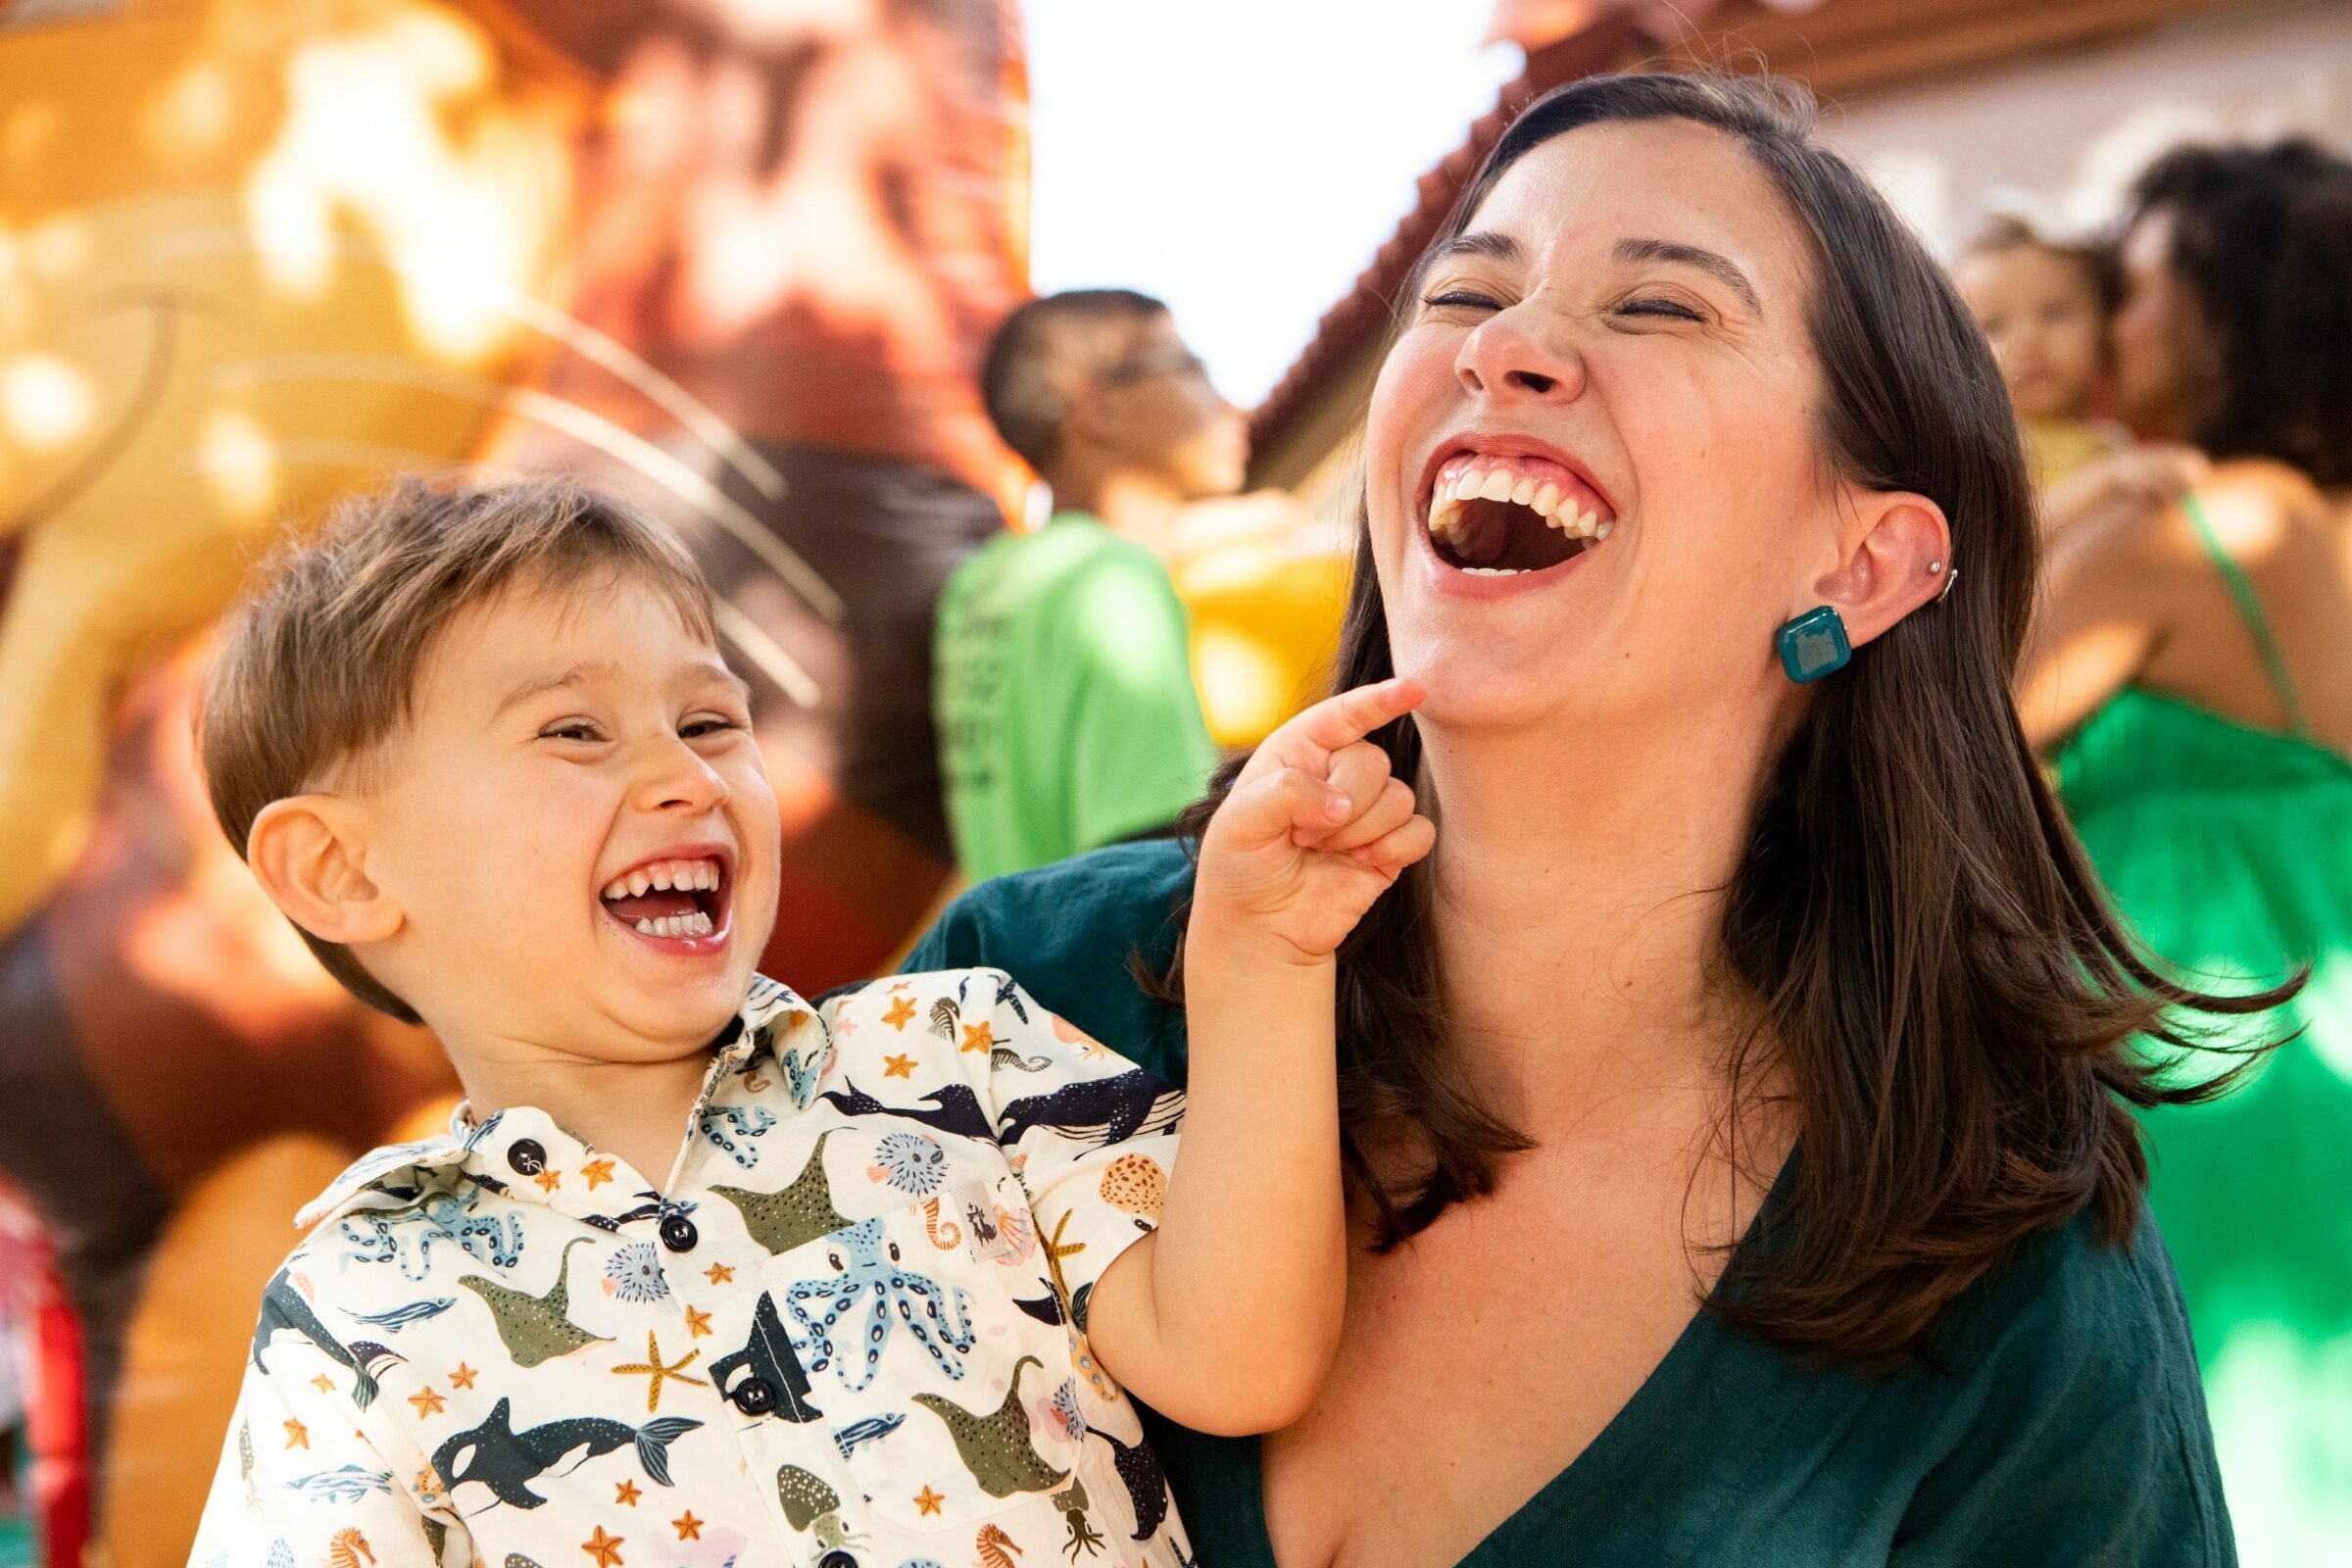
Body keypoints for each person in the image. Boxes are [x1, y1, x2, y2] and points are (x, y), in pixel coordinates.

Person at [907, 72, 2248, 1566]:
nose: (1508, 343)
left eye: (1663, 308)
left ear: (1863, 567)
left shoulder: (2019, 1285)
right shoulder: (1022, 999)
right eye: (1468, 291)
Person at [185, 474, 1434, 1564]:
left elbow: (1240, 1361)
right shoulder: (352, 1317)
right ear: (345, 873)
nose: (687, 775)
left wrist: (1261, 958)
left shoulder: (954, 1052)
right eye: (575, 731)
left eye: (712, 721)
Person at [2019, 139, 2352, 1565]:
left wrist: (2055, 514)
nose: (2111, 319)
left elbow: (1914, 747)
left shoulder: (2190, 532)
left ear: (2229, 311)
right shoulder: (2321, 531)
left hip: (2203, 1067)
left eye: (2141, 285)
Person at [935, 290, 1246, 882]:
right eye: (1190, 369)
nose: (1229, 404)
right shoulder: (1114, 577)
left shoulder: (979, 586)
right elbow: (1156, 857)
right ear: (1098, 410)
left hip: (1014, 959)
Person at [1954, 215, 2129, 496]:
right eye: (1993, 325)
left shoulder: (2113, 439)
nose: (2029, 341)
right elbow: (2025, 532)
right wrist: (2108, 480)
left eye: (2054, 313)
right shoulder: (1993, 451)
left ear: (2103, 321)